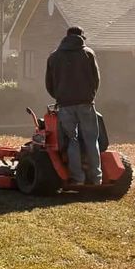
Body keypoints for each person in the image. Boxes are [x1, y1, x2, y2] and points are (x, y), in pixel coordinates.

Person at [45, 25, 102, 185]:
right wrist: (90, 96)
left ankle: (78, 178)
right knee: (91, 139)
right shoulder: (88, 53)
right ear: (82, 37)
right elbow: (96, 79)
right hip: (85, 103)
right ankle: (96, 177)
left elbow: (49, 83)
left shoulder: (54, 56)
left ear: (67, 36)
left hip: (65, 105)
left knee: (72, 140)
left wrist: (59, 97)